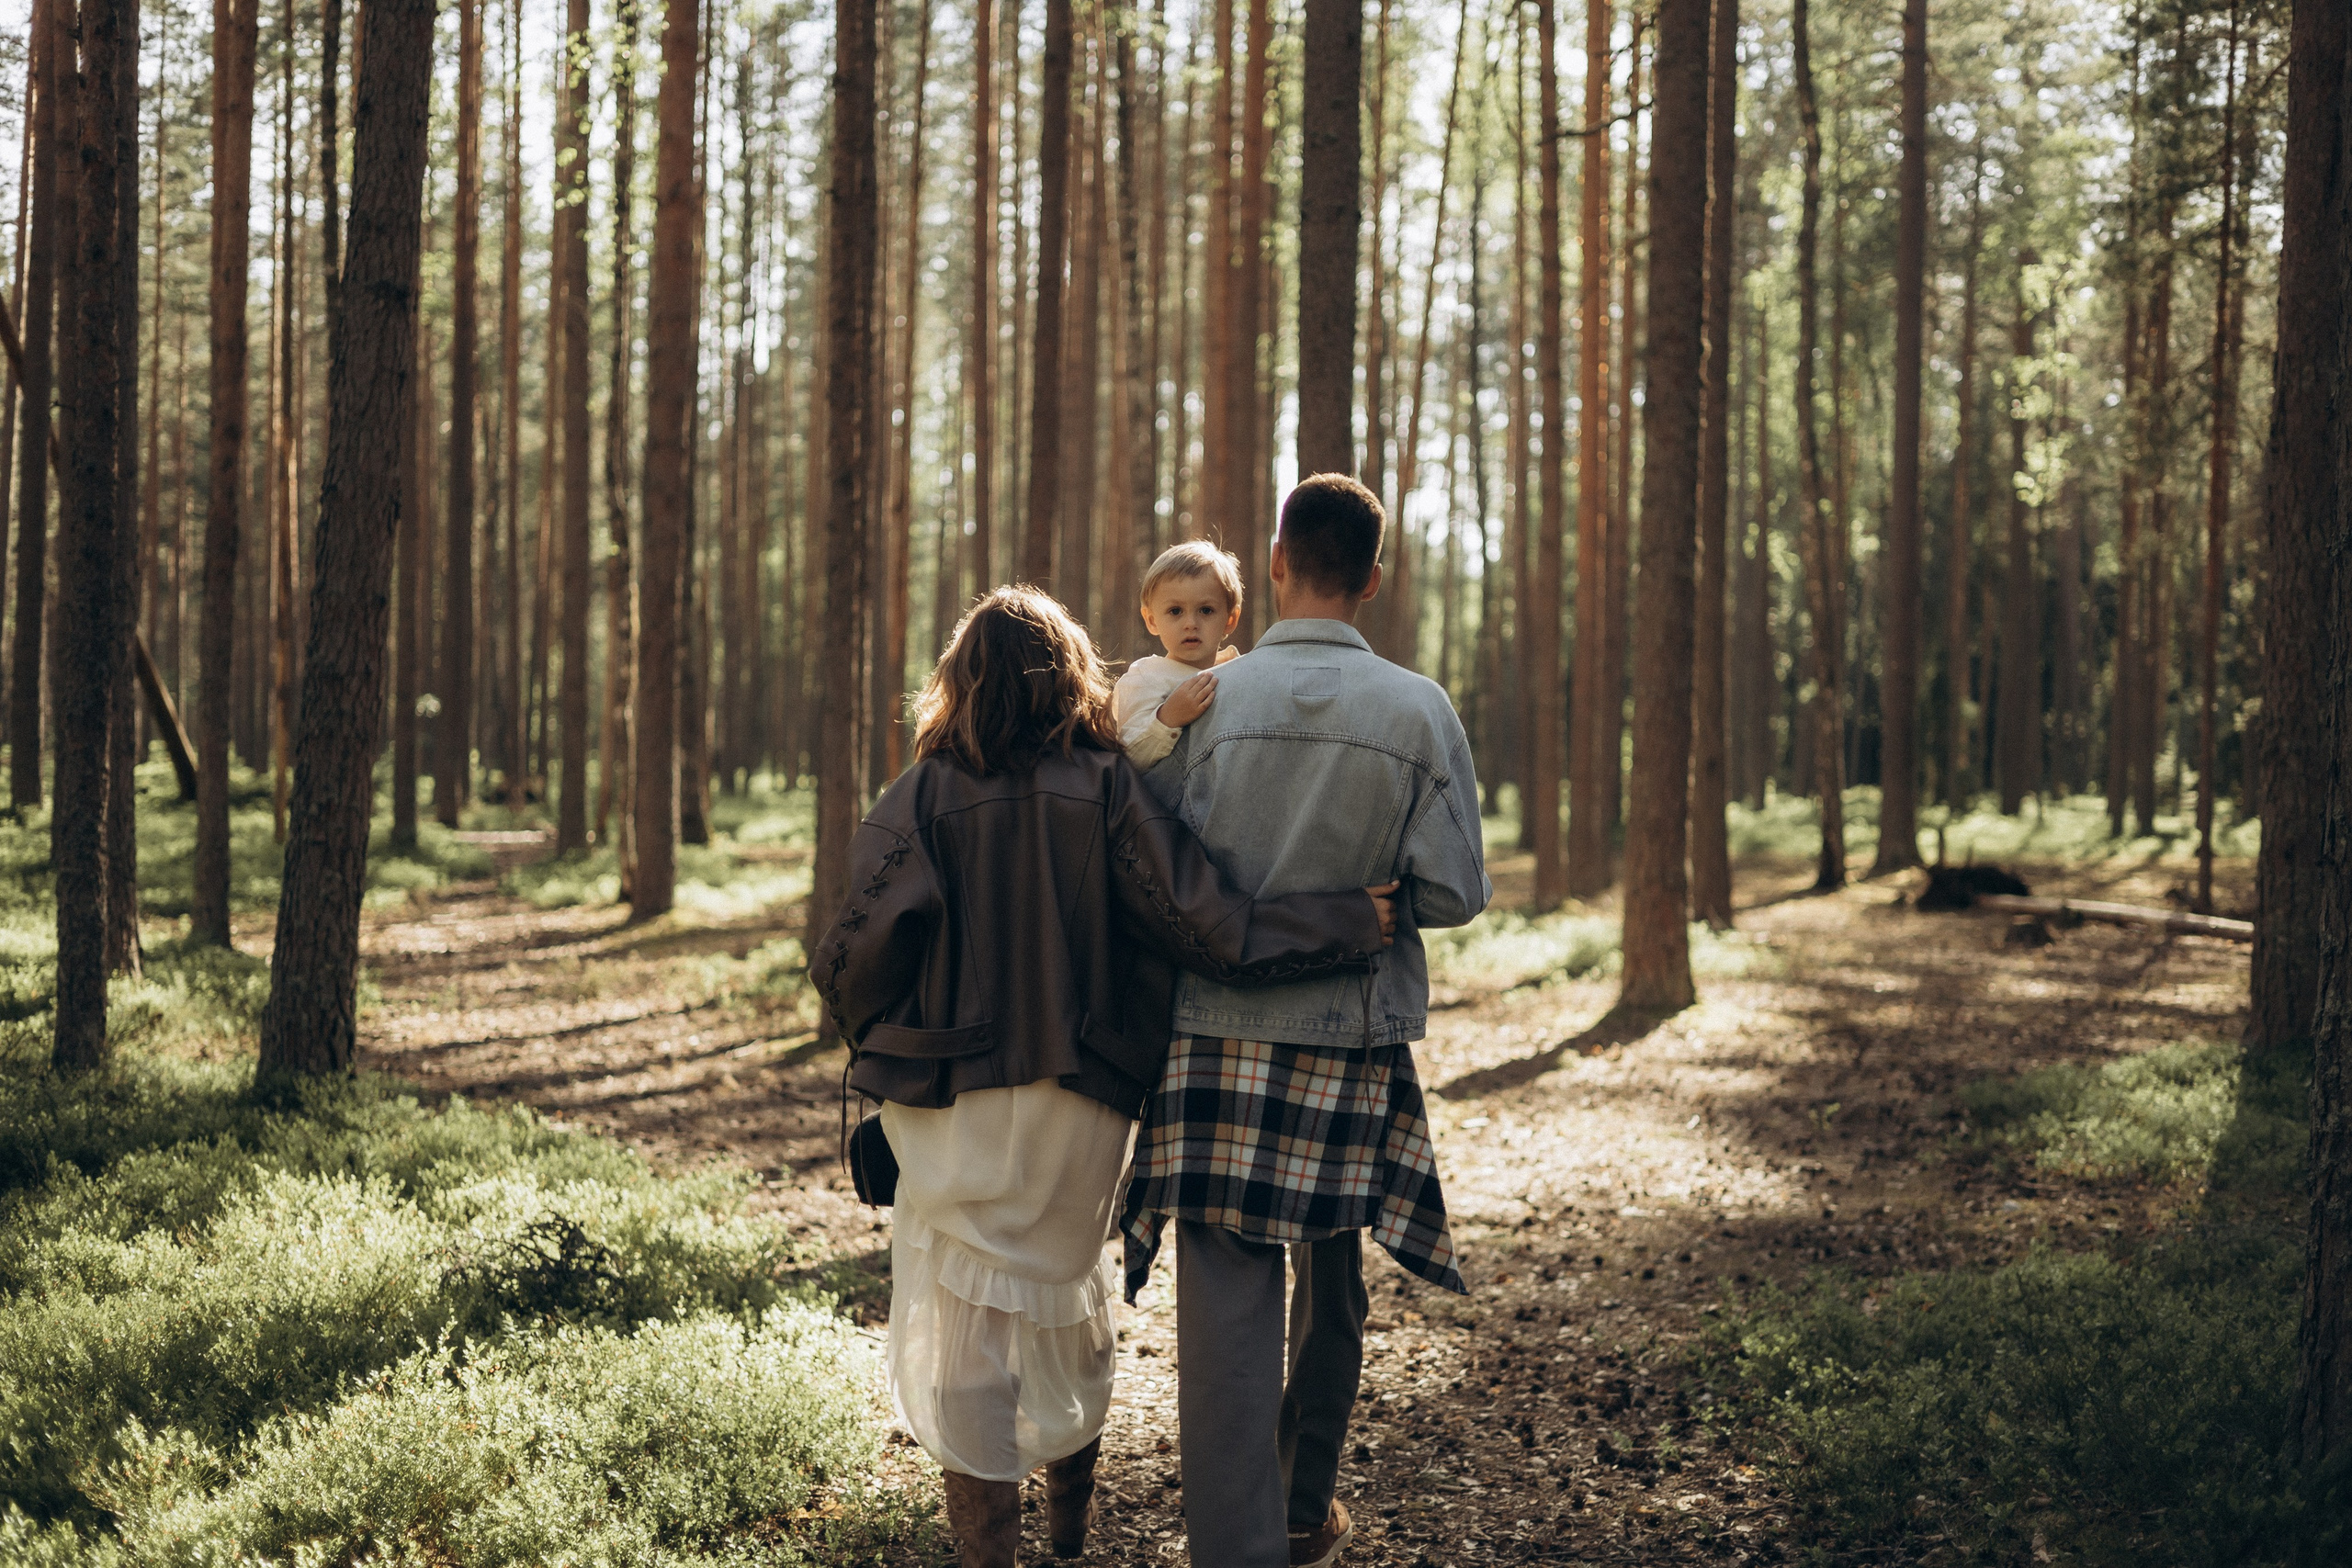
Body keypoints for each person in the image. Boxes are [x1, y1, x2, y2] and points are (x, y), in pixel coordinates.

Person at [809, 585, 1401, 1568]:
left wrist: (883, 1041)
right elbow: (1210, 923)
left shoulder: (920, 793)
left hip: (953, 1101)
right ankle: (1072, 1538)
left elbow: (849, 959)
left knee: (968, 1329)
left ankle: (989, 1554)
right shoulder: (1104, 783)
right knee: (1059, 1294)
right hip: (1083, 1104)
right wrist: (1346, 918)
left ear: (961, 682)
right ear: (1072, 675)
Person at [1122, 474, 1492, 1568]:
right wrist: (1368, 910)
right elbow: (1457, 893)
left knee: (1224, 1301)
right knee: (1333, 1281)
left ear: (1274, 565)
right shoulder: (1419, 709)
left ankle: (1233, 1549)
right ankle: (1301, 1505)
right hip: (1350, 1033)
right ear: (1373, 579)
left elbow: (1147, 864)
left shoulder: (1198, 702)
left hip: (1210, 1040)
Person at [1112, 539, 1247, 769]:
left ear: (1230, 620)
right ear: (1152, 620)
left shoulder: (1241, 674)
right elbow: (1128, 759)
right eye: (1175, 611)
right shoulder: (1145, 678)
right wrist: (1167, 719)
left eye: (1206, 610)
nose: (1190, 623)